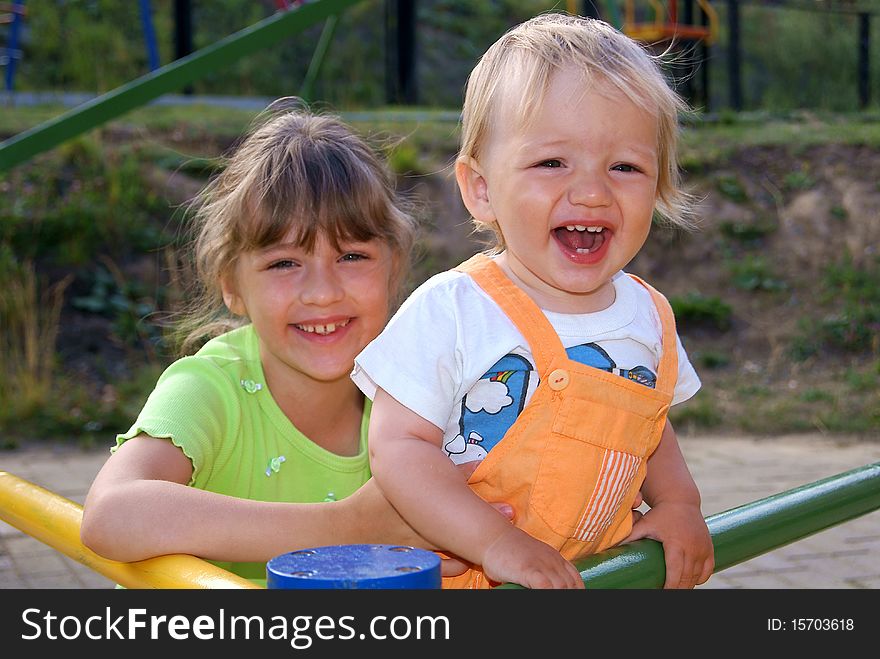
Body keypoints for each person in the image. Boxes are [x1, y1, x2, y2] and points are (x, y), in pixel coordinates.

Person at [353, 13, 715, 589]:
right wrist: (496, 543)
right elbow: (397, 449)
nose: (593, 192)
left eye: (625, 167)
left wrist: (680, 504)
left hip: (596, 579)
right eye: (552, 163)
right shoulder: (455, 309)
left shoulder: (650, 316)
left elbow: (649, 425)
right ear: (481, 189)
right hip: (469, 580)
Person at [80, 100, 492, 585]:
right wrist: (349, 526)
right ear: (231, 285)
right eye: (283, 263)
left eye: (353, 256)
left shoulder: (424, 393)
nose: (322, 292)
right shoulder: (211, 389)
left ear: (393, 268)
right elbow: (109, 513)